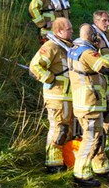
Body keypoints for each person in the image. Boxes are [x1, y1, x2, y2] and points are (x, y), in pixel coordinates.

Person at [68, 23, 109, 186]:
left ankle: (99, 165)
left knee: (97, 135)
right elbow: (107, 68)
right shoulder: (86, 52)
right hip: (89, 102)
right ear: (92, 36)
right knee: (91, 138)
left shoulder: (74, 49)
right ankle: (81, 173)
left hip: (87, 100)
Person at [28, 17, 75, 173]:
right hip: (56, 97)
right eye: (69, 29)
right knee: (58, 129)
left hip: (69, 96)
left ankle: (64, 159)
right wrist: (50, 78)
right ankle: (53, 163)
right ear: (59, 31)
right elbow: (35, 66)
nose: (72, 31)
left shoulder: (68, 47)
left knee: (68, 130)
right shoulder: (51, 46)